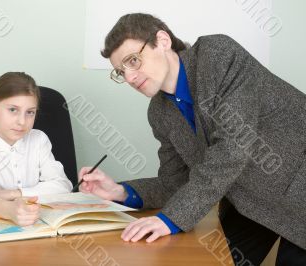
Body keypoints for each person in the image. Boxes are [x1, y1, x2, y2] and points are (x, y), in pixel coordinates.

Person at [78, 13, 306, 265]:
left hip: (299, 191)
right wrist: (120, 192)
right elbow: (174, 183)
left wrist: (171, 219)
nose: (130, 77)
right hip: (252, 205)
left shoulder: (217, 55)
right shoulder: (159, 112)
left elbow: (232, 149)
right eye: (121, 71)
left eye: (133, 60)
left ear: (162, 40)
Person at [0, 72, 72, 226]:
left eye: (30, 112)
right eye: (13, 110)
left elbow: (62, 185)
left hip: (34, 224)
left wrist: (14, 194)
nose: (22, 121)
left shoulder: (39, 139)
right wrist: (8, 209)